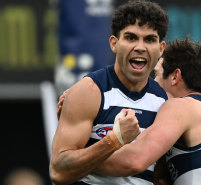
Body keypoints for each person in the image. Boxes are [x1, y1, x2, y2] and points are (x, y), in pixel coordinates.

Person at [86, 37, 201, 184]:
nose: (152, 82)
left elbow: (135, 160)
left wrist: (79, 159)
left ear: (175, 77)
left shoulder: (181, 106)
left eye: (156, 74)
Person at [49, 1, 169, 185]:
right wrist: (114, 140)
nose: (140, 47)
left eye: (150, 39)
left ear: (161, 49)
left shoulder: (166, 102)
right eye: (131, 37)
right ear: (114, 43)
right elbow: (58, 172)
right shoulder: (88, 92)